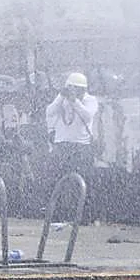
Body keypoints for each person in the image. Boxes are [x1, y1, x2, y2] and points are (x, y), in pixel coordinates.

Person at [44, 71, 100, 222]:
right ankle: (56, 214)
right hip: (62, 145)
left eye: (78, 88)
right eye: (72, 88)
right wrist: (62, 96)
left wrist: (75, 101)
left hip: (81, 146)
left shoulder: (90, 100)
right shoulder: (62, 98)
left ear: (83, 90)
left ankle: (85, 216)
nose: (74, 91)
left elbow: (88, 116)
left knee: (83, 182)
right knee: (57, 180)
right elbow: (49, 112)